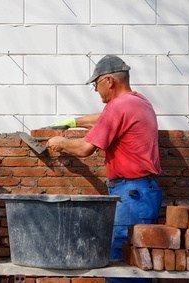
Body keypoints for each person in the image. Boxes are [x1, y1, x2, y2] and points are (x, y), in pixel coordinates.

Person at [47, 55, 162, 283]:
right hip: (143, 191)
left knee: (120, 259)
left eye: (95, 85)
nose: (96, 92)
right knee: (137, 258)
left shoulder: (118, 106)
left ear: (108, 80)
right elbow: (104, 119)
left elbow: (84, 148)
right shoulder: (138, 101)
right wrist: (73, 122)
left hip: (132, 194)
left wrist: (59, 142)